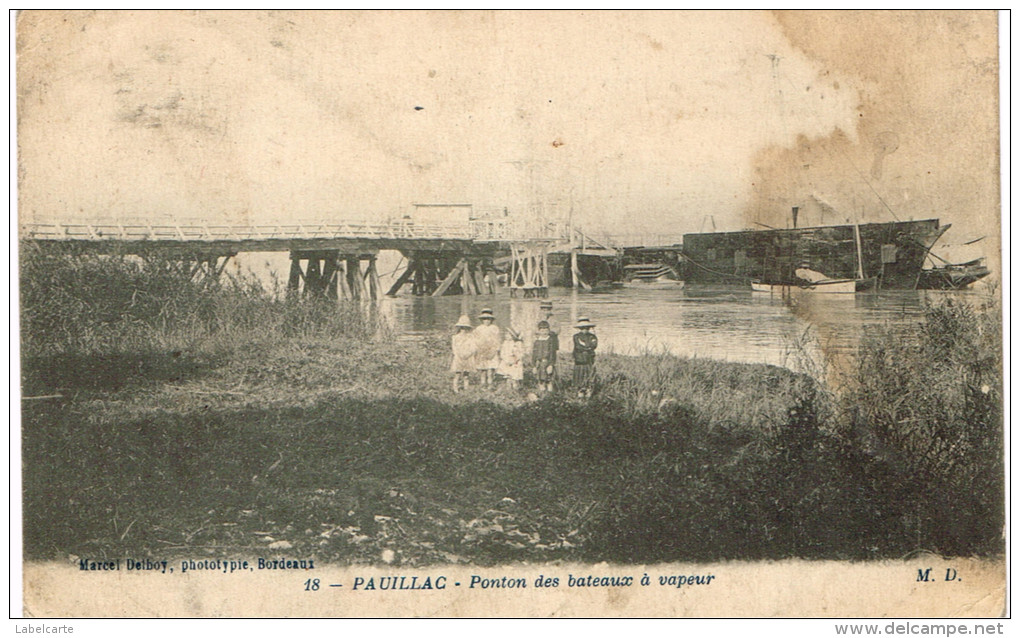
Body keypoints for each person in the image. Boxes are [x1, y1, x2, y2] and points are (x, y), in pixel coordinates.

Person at [473, 308, 501, 388]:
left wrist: (496, 350)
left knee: (490, 369)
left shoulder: (495, 328)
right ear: (482, 320)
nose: (487, 321)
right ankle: (483, 384)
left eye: (489, 319)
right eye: (485, 319)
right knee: (483, 369)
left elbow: (497, 340)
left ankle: (490, 384)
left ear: (491, 320)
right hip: (482, 350)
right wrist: (477, 349)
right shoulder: (478, 329)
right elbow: (475, 340)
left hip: (492, 350)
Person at [572, 317, 598, 398]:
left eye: (587, 328)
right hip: (579, 360)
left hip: (589, 360)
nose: (585, 330)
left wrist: (586, 347)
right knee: (579, 376)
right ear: (580, 328)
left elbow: (594, 346)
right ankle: (580, 391)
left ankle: (588, 391)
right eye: (582, 328)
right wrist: (587, 348)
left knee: (589, 375)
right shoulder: (576, 336)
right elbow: (578, 347)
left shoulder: (593, 336)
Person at [450, 315, 476, 393]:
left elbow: (473, 347)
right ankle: (455, 389)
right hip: (459, 357)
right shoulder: (455, 337)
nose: (463, 330)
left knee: (466, 375)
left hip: (468, 356)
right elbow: (454, 348)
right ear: (459, 328)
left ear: (468, 328)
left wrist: (469, 353)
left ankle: (466, 388)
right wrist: (459, 354)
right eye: (462, 327)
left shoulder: (471, 337)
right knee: (457, 374)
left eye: (465, 328)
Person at [532, 320, 558, 393]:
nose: (544, 332)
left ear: (549, 330)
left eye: (546, 330)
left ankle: (550, 394)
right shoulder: (537, 342)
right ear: (539, 331)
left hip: (547, 362)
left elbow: (553, 354)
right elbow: (534, 354)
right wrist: (534, 365)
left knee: (549, 379)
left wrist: (551, 365)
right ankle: (542, 394)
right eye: (542, 330)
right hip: (539, 363)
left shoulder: (550, 341)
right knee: (540, 380)